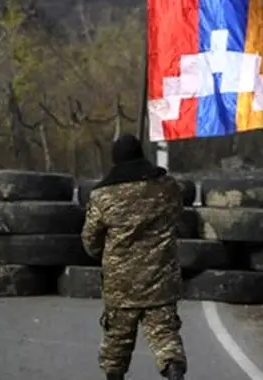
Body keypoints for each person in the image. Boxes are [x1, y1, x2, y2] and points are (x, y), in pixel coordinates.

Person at [80, 133, 187, 380]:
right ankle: (173, 370)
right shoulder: (166, 187)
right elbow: (177, 215)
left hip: (121, 283)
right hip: (160, 277)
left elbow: (90, 239)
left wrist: (101, 254)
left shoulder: (102, 196)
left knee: (117, 342)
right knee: (165, 335)